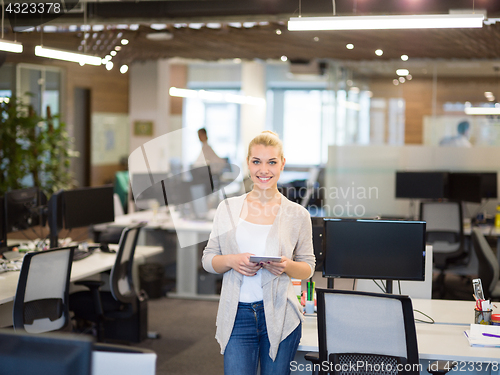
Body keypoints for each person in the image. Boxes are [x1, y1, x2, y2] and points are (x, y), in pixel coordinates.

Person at [201, 131, 315, 375]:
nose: (264, 170)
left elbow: (308, 267)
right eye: (257, 162)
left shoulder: (297, 215)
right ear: (248, 163)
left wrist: (286, 265)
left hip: (280, 313)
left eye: (272, 162)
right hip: (238, 314)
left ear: (282, 163)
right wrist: (232, 261)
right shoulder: (228, 208)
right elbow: (208, 260)